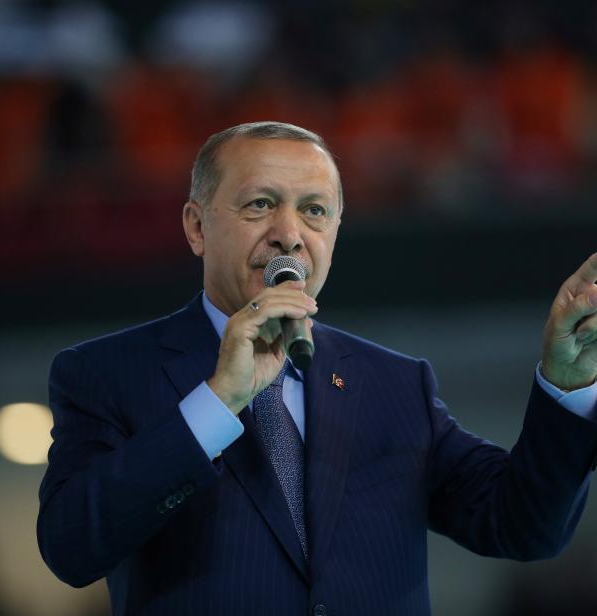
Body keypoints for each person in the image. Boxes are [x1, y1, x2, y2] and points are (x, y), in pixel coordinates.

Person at [37, 121, 597, 616]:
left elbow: (522, 526)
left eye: (314, 210)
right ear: (197, 227)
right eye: (260, 204)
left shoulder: (394, 383)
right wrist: (215, 403)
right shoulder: (105, 373)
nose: (289, 232)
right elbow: (71, 548)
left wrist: (566, 386)